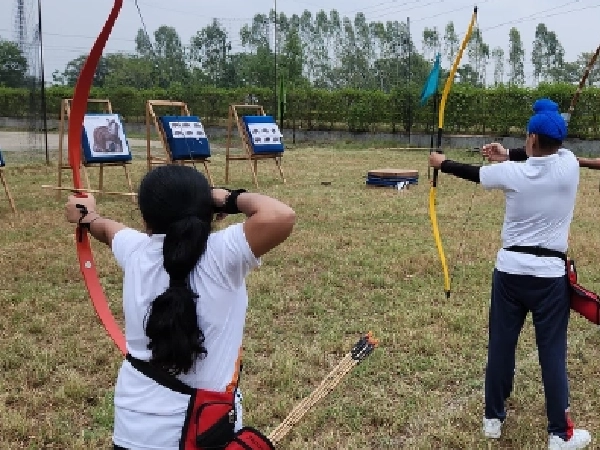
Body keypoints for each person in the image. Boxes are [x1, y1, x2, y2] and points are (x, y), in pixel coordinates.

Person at [64, 165, 296, 450]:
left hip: (132, 433)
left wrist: (87, 215)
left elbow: (107, 229)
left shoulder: (136, 251)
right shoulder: (222, 255)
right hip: (202, 434)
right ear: (207, 211)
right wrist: (226, 198)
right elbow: (280, 215)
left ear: (146, 219)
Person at [429, 98, 591, 449]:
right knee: (552, 351)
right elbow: (540, 155)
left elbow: (474, 173)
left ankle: (492, 419)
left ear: (532, 138)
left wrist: (442, 163)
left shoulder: (510, 173)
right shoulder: (568, 165)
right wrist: (508, 152)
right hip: (549, 277)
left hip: (510, 273)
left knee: (502, 344)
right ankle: (558, 435)